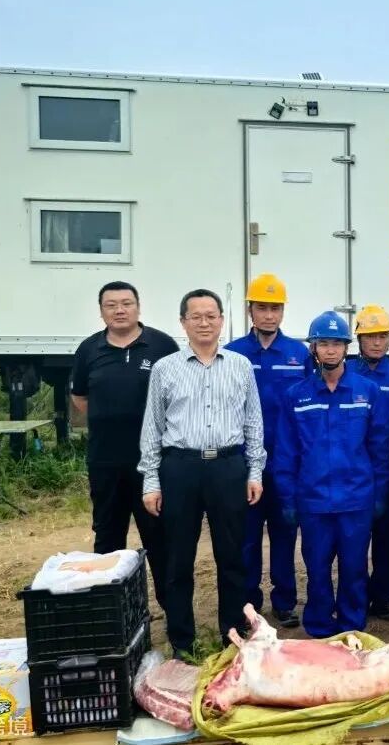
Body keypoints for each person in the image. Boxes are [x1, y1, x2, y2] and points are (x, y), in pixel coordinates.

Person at [139, 289, 266, 658]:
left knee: (232, 556)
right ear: (183, 322)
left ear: (222, 320)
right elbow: (152, 427)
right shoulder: (166, 369)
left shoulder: (240, 366)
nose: (204, 323)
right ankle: (182, 641)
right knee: (178, 558)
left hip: (228, 467)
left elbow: (253, 422)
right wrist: (151, 480)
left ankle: (232, 635)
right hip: (180, 468)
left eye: (211, 315)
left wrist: (254, 470)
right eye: (196, 316)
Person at [274, 311, 389, 637]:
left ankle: (352, 627)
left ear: (346, 347)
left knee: (354, 568)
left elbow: (380, 449)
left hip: (356, 500)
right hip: (313, 502)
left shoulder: (368, 392)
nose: (330, 350)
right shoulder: (297, 396)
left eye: (336, 343)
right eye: (323, 343)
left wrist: (379, 494)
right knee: (317, 568)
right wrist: (288, 499)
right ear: (313, 347)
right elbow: (286, 453)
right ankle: (320, 628)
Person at [70, 281, 179, 611]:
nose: (120, 310)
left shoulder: (162, 345)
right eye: (111, 305)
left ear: (138, 307)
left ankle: (173, 613)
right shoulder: (89, 350)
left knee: (159, 537)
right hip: (105, 462)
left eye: (126, 303)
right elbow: (80, 398)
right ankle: (112, 613)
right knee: (108, 536)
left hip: (153, 463)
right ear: (101, 310)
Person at [225, 273, 309, 628]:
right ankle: (249, 605)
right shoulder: (233, 353)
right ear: (250, 310)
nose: (269, 315)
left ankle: (284, 602)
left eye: (275, 308)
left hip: (285, 463)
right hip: (244, 463)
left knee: (284, 533)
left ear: (283, 312)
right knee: (245, 538)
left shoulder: (298, 354)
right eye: (262, 307)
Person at [348, 304, 389, 622]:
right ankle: (355, 600)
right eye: (370, 336)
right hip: (352, 471)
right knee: (354, 541)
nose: (377, 342)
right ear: (359, 338)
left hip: (387, 470)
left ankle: (383, 599)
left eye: (383, 336)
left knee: (386, 539)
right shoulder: (346, 373)